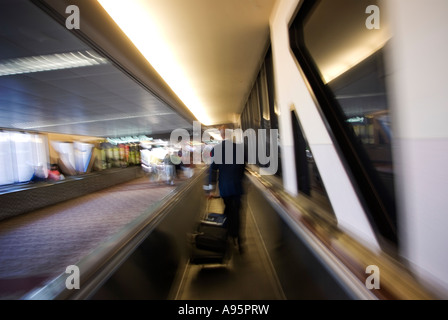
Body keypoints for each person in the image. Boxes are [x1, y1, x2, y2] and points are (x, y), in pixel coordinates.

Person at [204, 125, 246, 253]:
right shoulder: (239, 148)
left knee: (228, 210)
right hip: (237, 187)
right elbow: (242, 167)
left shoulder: (216, 149)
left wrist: (210, 190)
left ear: (222, 136)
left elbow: (213, 170)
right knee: (237, 212)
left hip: (225, 188)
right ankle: (238, 239)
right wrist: (239, 178)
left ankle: (227, 235)